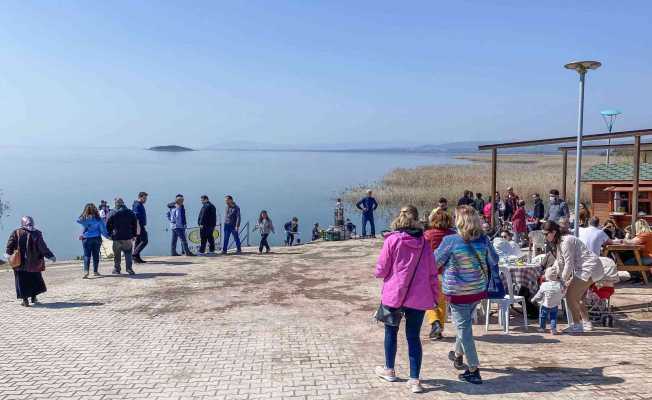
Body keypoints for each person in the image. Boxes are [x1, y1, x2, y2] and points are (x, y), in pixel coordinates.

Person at [374, 206, 437, 394]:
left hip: (394, 295)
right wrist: (435, 295)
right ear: (417, 220)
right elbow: (432, 271)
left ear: (399, 218)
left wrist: (379, 272)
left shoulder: (392, 240)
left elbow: (382, 269)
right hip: (419, 297)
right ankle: (415, 379)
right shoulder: (425, 243)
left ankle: (389, 370)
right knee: (413, 337)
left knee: (390, 332)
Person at [435, 205, 495, 384]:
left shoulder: (451, 240)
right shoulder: (483, 239)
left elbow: (435, 261)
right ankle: (458, 354)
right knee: (465, 325)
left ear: (459, 220)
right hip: (477, 289)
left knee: (464, 329)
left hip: (457, 292)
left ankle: (473, 369)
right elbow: (494, 260)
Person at [542, 221, 604, 334]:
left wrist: (562, 281)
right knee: (577, 297)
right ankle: (586, 323)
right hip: (588, 268)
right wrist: (550, 273)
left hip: (589, 268)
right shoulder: (560, 242)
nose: (545, 237)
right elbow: (560, 262)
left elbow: (568, 264)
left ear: (554, 232)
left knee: (570, 295)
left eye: (546, 234)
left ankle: (577, 325)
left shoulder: (565, 241)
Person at [5, 216, 55, 307]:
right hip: (34, 263)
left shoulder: (16, 232)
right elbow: (42, 247)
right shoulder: (37, 233)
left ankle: (25, 300)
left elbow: (10, 245)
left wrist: (8, 255)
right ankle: (33, 297)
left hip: (19, 263)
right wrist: (50, 256)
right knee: (34, 279)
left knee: (22, 282)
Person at [424, 209, 455, 341]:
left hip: (431, 272)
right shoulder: (453, 235)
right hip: (448, 273)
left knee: (428, 300)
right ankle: (439, 330)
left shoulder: (428, 235)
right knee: (442, 302)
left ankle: (434, 321)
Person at [107, 198, 139, 275]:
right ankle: (129, 269)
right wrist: (134, 235)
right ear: (123, 203)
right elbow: (134, 224)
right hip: (127, 236)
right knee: (128, 253)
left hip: (116, 237)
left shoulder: (112, 212)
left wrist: (110, 234)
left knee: (117, 254)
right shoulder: (130, 212)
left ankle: (117, 269)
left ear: (116, 204)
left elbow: (108, 224)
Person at [77, 203, 109, 278]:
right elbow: (103, 230)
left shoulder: (84, 219)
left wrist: (86, 222)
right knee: (96, 255)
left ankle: (86, 271)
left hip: (86, 238)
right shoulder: (98, 219)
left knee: (87, 255)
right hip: (97, 238)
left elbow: (78, 220)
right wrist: (107, 236)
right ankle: (95, 271)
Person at [532, 267, 564, 335]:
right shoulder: (559, 284)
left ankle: (542, 328)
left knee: (543, 316)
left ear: (546, 276)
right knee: (553, 317)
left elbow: (539, 294)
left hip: (545, 304)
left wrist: (533, 299)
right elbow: (562, 292)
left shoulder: (544, 285)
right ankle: (553, 329)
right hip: (555, 305)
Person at [132, 192, 148, 263]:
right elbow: (136, 217)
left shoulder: (139, 204)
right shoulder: (137, 205)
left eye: (146, 198)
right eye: (144, 198)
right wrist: (137, 227)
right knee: (145, 240)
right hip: (139, 225)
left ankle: (137, 258)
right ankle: (134, 254)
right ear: (140, 197)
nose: (145, 200)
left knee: (138, 241)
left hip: (140, 225)